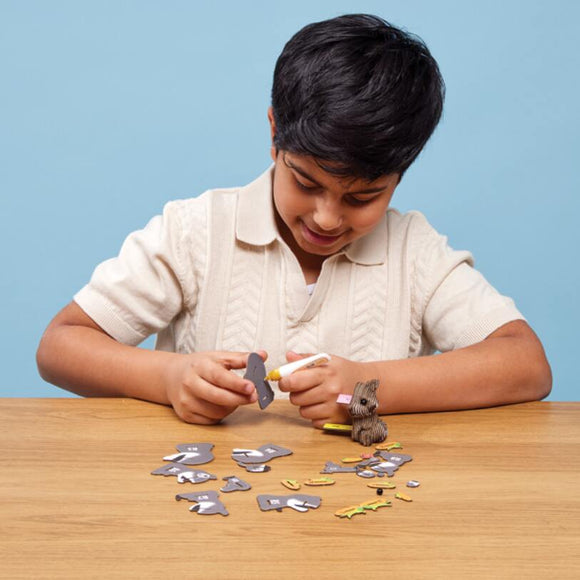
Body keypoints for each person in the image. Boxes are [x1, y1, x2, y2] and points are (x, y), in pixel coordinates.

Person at [36, 14, 552, 428]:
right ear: (275, 132)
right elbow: (60, 346)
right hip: (203, 529)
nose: (327, 218)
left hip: (371, 531)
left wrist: (369, 387)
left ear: (400, 176)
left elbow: (526, 365)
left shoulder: (412, 251)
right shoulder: (197, 231)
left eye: (363, 196)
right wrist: (168, 376)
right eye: (306, 183)